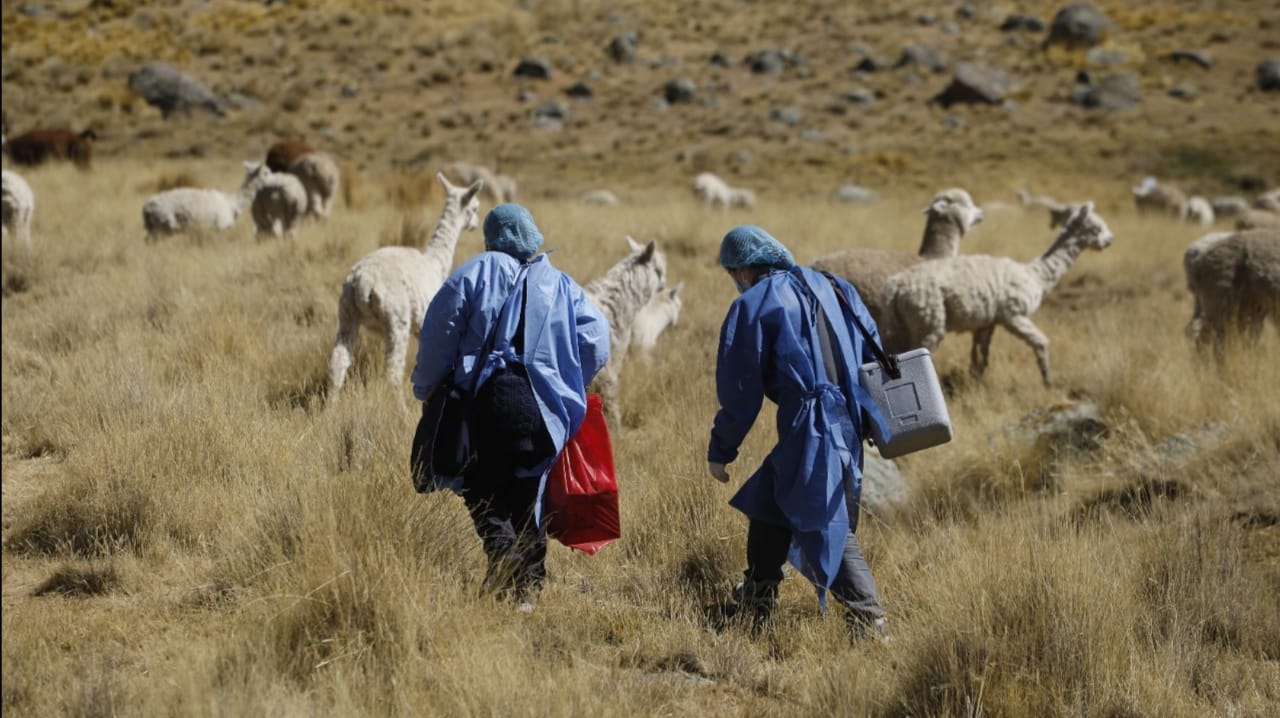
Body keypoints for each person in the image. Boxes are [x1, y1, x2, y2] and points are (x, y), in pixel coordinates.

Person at [412, 203, 611, 609]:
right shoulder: (560, 284)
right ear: (531, 236)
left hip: (489, 401)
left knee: (480, 487)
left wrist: (427, 388)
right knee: (527, 491)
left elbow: (440, 330)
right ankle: (529, 590)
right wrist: (567, 379)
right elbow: (597, 340)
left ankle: (504, 563)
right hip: (542, 408)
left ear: (492, 237)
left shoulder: (476, 270)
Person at [707, 224, 889, 640]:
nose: (734, 281)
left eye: (733, 272)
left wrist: (722, 449)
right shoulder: (835, 285)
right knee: (769, 501)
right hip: (849, 416)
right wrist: (873, 416)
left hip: (812, 425)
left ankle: (870, 619)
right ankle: (758, 595)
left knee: (823, 516)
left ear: (742, 269)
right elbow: (871, 351)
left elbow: (740, 390)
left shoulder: (754, 303)